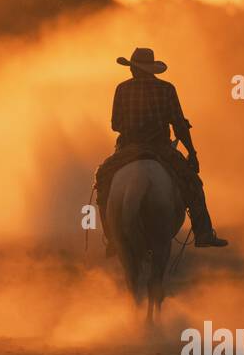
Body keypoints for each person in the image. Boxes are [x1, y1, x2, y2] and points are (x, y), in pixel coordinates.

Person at [95, 47, 228, 250]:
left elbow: (115, 124)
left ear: (134, 69)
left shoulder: (122, 88)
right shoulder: (167, 89)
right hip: (160, 148)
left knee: (103, 179)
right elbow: (179, 125)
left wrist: (134, 125)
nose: (131, 71)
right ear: (151, 70)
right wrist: (192, 153)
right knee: (193, 183)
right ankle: (203, 232)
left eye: (132, 68)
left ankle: (112, 237)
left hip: (129, 148)